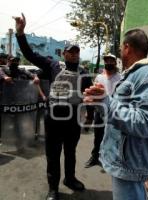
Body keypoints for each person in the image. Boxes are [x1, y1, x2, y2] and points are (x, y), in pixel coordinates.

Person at [14, 14, 94, 200]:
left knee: (70, 152)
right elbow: (29, 55)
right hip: (54, 119)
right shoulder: (53, 65)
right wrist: (20, 33)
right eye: (70, 51)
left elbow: (89, 95)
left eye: (77, 51)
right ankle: (53, 188)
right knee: (53, 154)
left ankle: (70, 178)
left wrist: (89, 116)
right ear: (63, 53)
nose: (74, 54)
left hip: (73, 119)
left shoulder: (84, 72)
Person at [84, 29, 148, 200]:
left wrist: (107, 102)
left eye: (121, 48)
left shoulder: (147, 77)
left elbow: (143, 123)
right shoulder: (135, 75)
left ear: (127, 47)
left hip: (129, 164)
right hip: (126, 161)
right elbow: (121, 112)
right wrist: (100, 101)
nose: (119, 53)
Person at [84, 53, 121, 168]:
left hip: (113, 112)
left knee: (113, 136)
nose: (109, 63)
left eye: (111, 61)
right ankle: (95, 157)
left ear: (115, 62)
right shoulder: (99, 77)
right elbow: (93, 94)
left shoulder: (120, 78)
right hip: (99, 112)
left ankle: (110, 159)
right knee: (98, 136)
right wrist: (88, 111)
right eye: (107, 61)